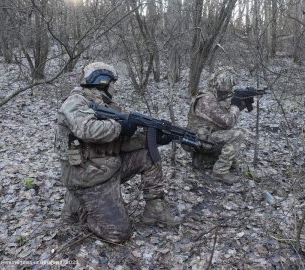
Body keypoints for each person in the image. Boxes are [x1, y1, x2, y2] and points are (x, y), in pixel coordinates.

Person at [55, 62, 180, 243]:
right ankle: (81, 209)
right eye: (113, 82)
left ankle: (155, 209)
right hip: (86, 176)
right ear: (102, 82)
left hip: (107, 167)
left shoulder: (107, 106)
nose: (115, 87)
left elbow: (118, 143)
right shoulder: (75, 102)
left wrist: (150, 138)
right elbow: (86, 130)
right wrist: (120, 127)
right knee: (119, 234)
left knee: (148, 154)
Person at [185, 66, 247, 185]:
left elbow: (221, 117)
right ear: (223, 84)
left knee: (234, 164)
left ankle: (202, 159)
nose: (231, 89)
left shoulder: (211, 95)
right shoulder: (207, 99)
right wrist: (236, 106)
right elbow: (228, 123)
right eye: (229, 86)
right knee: (237, 135)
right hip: (198, 139)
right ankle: (220, 172)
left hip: (203, 136)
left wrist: (242, 104)